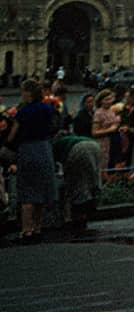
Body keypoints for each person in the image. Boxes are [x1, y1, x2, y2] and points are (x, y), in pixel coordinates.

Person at [5, 79, 58, 242]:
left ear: (28, 93)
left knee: (27, 192)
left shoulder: (24, 111)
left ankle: (26, 230)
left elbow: (13, 134)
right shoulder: (47, 108)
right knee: (41, 191)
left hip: (28, 150)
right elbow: (53, 128)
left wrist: (7, 144)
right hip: (44, 149)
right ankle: (37, 227)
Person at [52, 133, 101, 231]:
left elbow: (54, 164)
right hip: (94, 146)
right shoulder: (71, 138)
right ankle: (88, 211)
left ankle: (78, 217)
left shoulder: (54, 145)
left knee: (77, 185)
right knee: (91, 180)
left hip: (77, 150)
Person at [92, 88, 121, 175]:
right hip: (103, 143)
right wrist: (109, 130)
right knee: (103, 165)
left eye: (110, 99)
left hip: (114, 141)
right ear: (101, 101)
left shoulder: (112, 111)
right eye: (106, 99)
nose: (109, 101)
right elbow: (94, 132)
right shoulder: (98, 113)